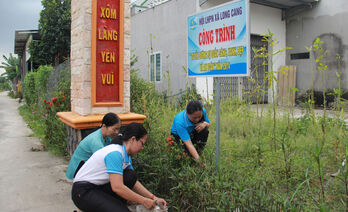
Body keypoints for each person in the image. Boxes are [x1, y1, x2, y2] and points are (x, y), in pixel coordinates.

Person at [71, 122, 167, 212]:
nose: (142, 148)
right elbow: (117, 187)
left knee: (130, 175)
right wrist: (143, 201)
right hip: (82, 192)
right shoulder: (115, 153)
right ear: (133, 139)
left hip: (97, 187)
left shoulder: (126, 155)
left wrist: (153, 198)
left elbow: (133, 182)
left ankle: (112, 204)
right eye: (142, 143)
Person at [66, 112, 121, 180]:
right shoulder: (96, 141)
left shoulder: (107, 137)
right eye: (114, 129)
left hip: (87, 168)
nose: (116, 132)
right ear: (104, 126)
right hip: (77, 172)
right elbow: (104, 162)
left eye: (118, 129)